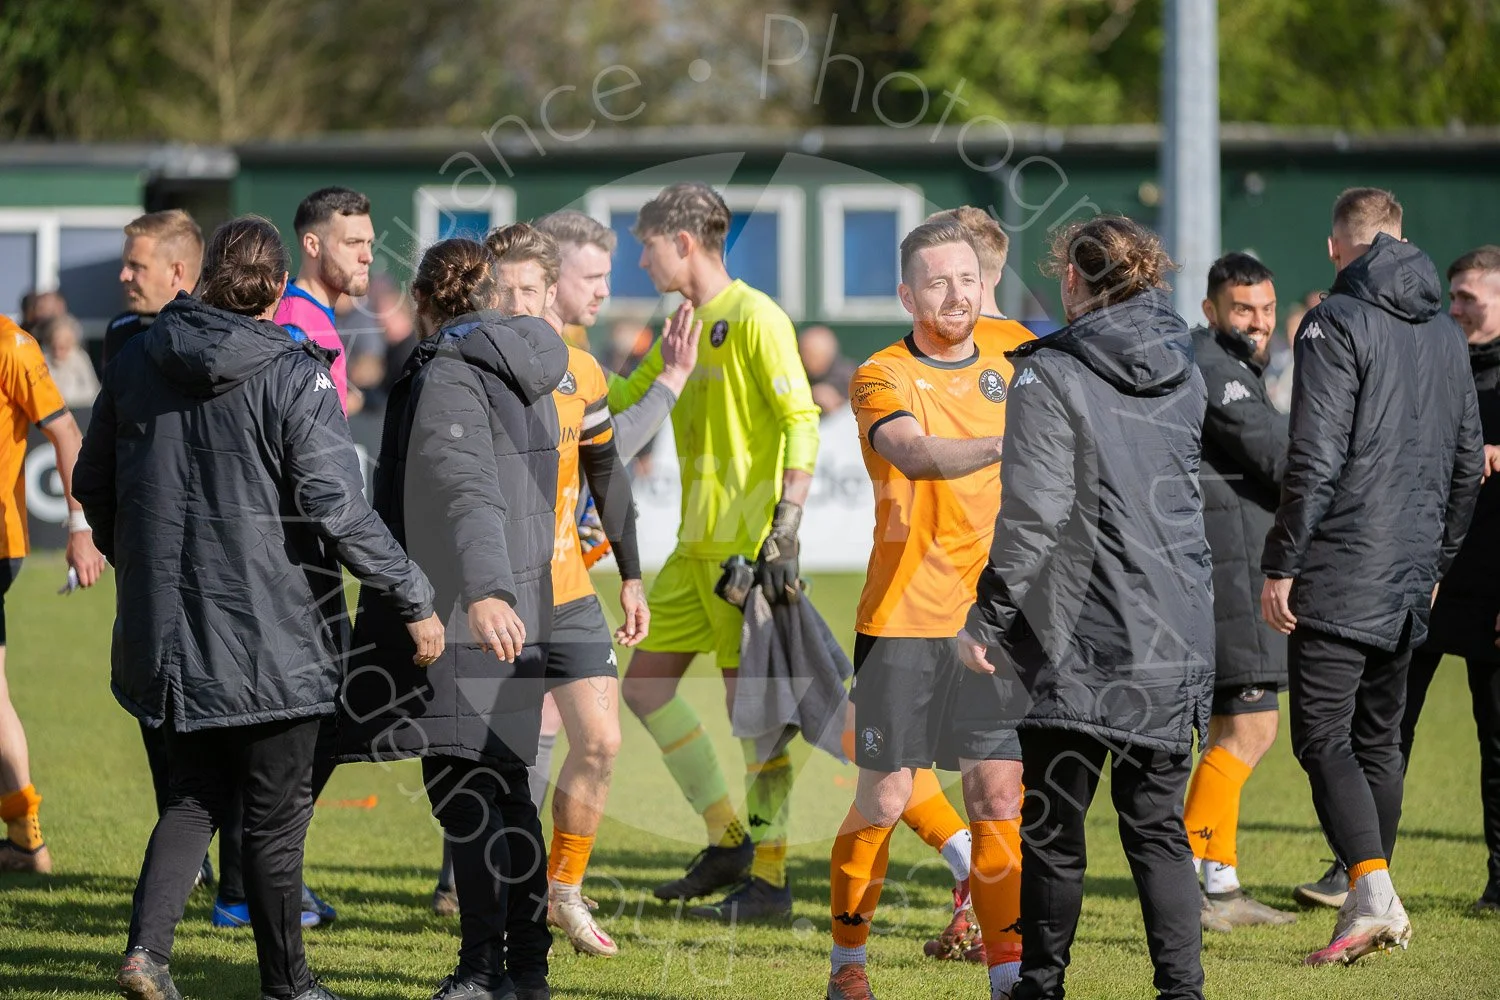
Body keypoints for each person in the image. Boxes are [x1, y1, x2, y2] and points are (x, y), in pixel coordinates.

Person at [73, 215, 443, 1000]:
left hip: (171, 637)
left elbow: (93, 484)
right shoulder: (293, 372)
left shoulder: (137, 357)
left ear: (204, 275)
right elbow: (338, 508)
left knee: (193, 798)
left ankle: (147, 954)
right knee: (275, 819)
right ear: (277, 289)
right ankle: (289, 985)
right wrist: (412, 593)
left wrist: (134, 558)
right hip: (275, 639)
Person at [958, 215, 1214, 1000]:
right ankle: (1183, 992)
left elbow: (1033, 515)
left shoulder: (1050, 372)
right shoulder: (1187, 367)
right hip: (1173, 629)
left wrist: (986, 618)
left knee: (1055, 832)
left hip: (1078, 636)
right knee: (1158, 831)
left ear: (1072, 278)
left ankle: (1041, 988)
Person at [336, 237, 567, 1000]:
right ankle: (526, 971)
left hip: (472, 607)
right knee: (506, 792)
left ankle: (482, 970)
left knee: (465, 791)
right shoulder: (525, 361)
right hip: (521, 601)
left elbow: (467, 487)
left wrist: (486, 589)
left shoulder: (448, 368)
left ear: (424, 303)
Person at [1261, 188, 1484, 966]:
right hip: (1410, 571)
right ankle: (1370, 895)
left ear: (1336, 248)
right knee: (1379, 740)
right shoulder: (1447, 332)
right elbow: (1467, 464)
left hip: (1339, 565)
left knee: (1324, 737)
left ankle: (1372, 896)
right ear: (1402, 238)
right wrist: (1437, 562)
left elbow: (1314, 456)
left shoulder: (1334, 320)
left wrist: (1283, 561)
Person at [826, 215, 1032, 1000]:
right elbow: (913, 453)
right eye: (937, 282)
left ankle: (1008, 977)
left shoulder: (1019, 354)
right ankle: (847, 964)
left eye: (968, 279)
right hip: (904, 620)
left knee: (998, 794)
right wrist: (1009, 442)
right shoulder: (881, 373)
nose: (956, 295)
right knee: (883, 797)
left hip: (994, 619)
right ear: (907, 295)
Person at [613, 182, 821, 921]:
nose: (641, 262)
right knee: (643, 691)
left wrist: (786, 522)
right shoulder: (681, 324)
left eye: (647, 247)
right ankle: (728, 840)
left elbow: (802, 419)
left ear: (683, 241)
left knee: (756, 722)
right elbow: (623, 403)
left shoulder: (757, 317)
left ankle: (771, 882)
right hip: (690, 553)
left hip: (744, 562)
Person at [1182, 253, 1296, 931]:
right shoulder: (1215, 367)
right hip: (1233, 573)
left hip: (1232, 565)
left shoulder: (1229, 363)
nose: (1258, 322)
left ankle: (1219, 883)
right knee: (1252, 728)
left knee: (1234, 729)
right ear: (1211, 310)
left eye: (1267, 309)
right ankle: (1182, 879)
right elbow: (1281, 458)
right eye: (1243, 309)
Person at [1401, 246, 1500, 914]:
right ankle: (1359, 869)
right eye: (1452, 295)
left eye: (1469, 297)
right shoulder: (1433, 361)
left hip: (1492, 588)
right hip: (1423, 580)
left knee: (1496, 741)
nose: (1455, 308)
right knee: (1384, 728)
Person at [0, 313, 106, 874]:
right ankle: (24, 840)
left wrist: (79, 528)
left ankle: (25, 837)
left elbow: (66, 433)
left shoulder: (13, 345)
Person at [274, 187, 375, 415]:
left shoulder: (311, 314)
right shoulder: (294, 328)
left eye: (369, 243)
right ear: (313, 245)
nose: (367, 256)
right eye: (352, 242)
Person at [104, 210, 204, 366]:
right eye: (125, 265)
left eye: (136, 266)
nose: (124, 276)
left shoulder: (217, 336)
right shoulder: (122, 330)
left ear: (176, 272)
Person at [36, 314, 101, 408]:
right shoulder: (43, 359)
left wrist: (68, 398)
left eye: (62, 347)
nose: (57, 352)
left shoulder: (80, 358)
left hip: (78, 411)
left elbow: (92, 391)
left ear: (72, 343)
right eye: (54, 346)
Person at [799, 324, 857, 416]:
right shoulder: (798, 374)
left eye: (814, 355)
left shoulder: (850, 376)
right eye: (805, 353)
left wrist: (838, 404)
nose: (808, 359)